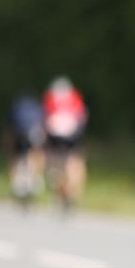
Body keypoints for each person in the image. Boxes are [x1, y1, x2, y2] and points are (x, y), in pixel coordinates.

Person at [42, 76, 89, 208]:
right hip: (74, 135)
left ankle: (59, 190)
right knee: (76, 161)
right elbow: (83, 117)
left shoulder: (50, 97)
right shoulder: (75, 96)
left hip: (54, 136)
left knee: (54, 162)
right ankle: (73, 192)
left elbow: (44, 118)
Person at [5, 93, 46, 202]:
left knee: (14, 156)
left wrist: (9, 145)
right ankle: (37, 178)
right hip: (34, 136)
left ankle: (16, 183)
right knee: (37, 153)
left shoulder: (16, 110)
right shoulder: (39, 110)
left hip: (18, 136)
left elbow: (9, 128)